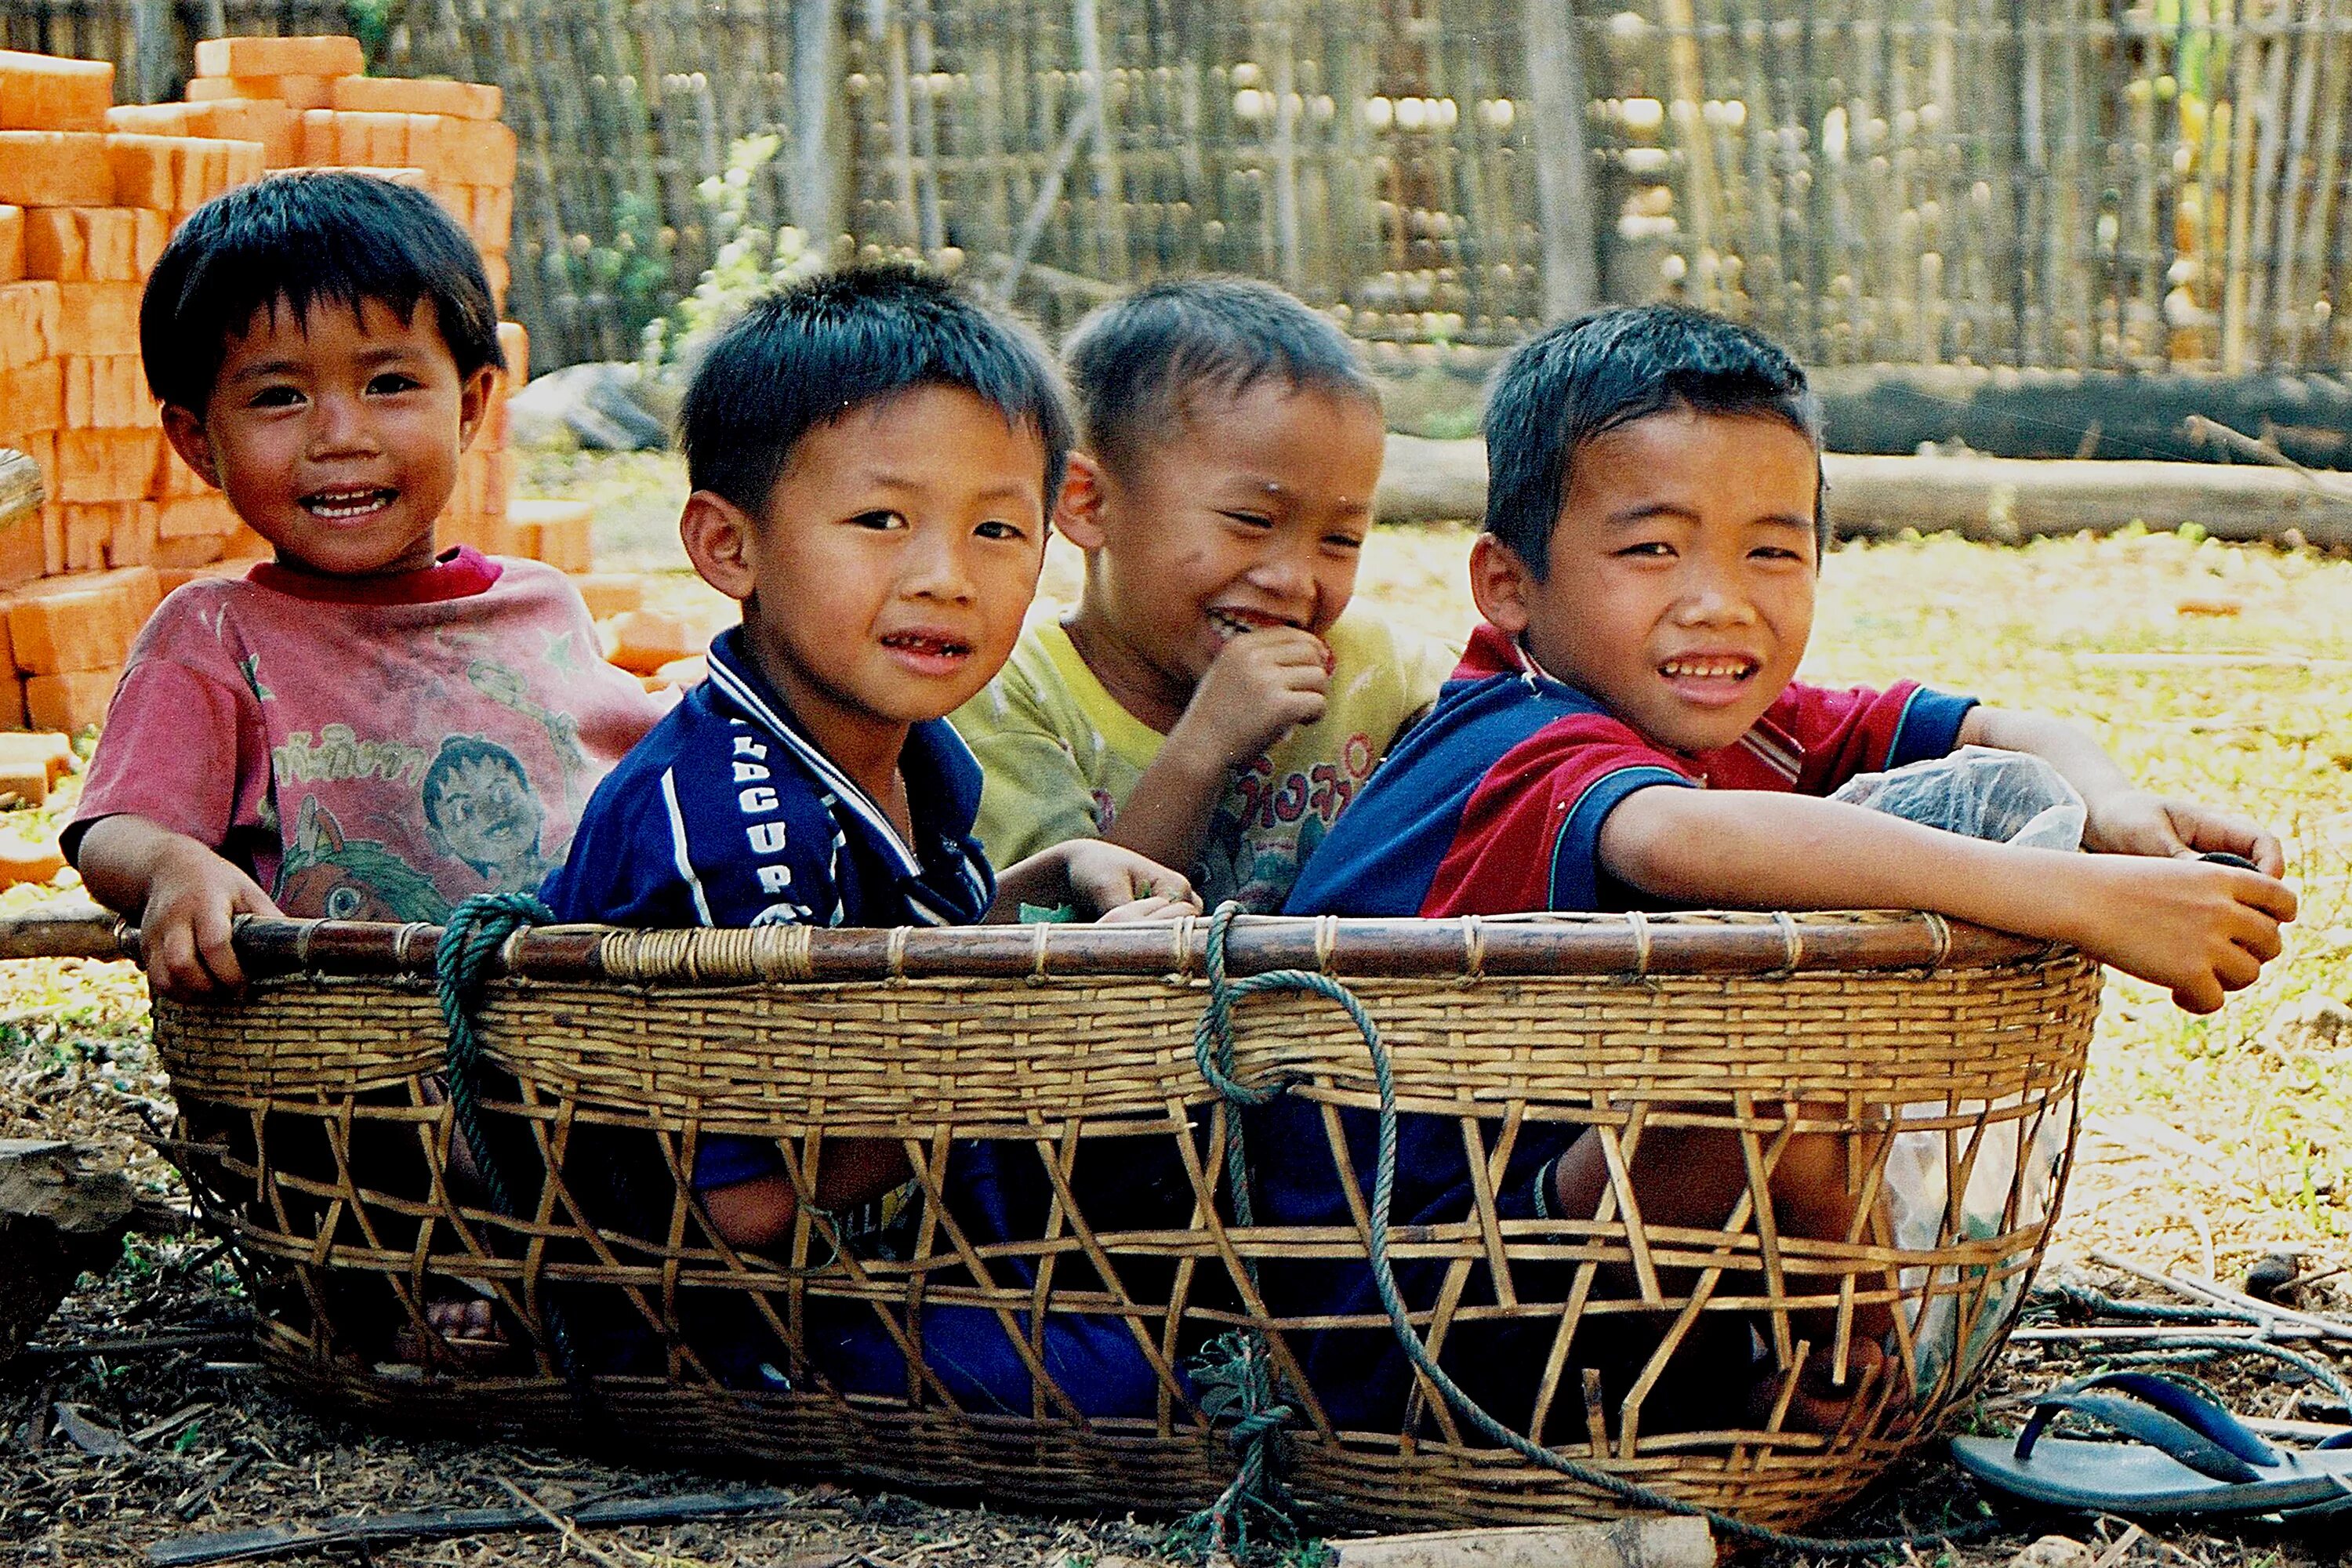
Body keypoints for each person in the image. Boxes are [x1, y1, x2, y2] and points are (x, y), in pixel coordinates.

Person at [1277, 303, 2296, 1432]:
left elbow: (2000, 730)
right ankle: (1824, 1337)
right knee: (1767, 1078)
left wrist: (2111, 806)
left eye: (1771, 550)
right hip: (1380, 1311)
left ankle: (1802, 1369)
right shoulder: (1512, 733)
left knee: (1792, 1082)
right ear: (1509, 587)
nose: (1721, 599)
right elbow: (1676, 838)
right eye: (1652, 548)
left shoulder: (1728, 719)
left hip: (1540, 1256)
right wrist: (2086, 900)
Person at [540, 266, 1198, 1410]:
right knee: (1172, 1383)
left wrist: (1052, 882)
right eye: (881, 520)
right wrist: (1031, 1053)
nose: (946, 578)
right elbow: (743, 1208)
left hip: (905, 1247)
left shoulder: (911, 753)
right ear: (728, 547)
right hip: (723, 1314)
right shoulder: (733, 834)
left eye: (997, 528)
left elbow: (903, 972)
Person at [68, 170, 664, 995]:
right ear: (198, 440)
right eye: (280, 396)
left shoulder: (541, 606)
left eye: (389, 384)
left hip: (566, 1069)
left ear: (470, 404)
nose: (341, 436)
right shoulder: (214, 637)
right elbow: (113, 826)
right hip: (345, 1084)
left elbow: (641, 784)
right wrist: (174, 866)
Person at [950, 277, 1457, 911]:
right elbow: (1063, 951)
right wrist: (1206, 747)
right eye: (1251, 521)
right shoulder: (1004, 697)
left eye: (1341, 540)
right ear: (1089, 501)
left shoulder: (1370, 667)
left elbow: (1517, 722)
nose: (1295, 580)